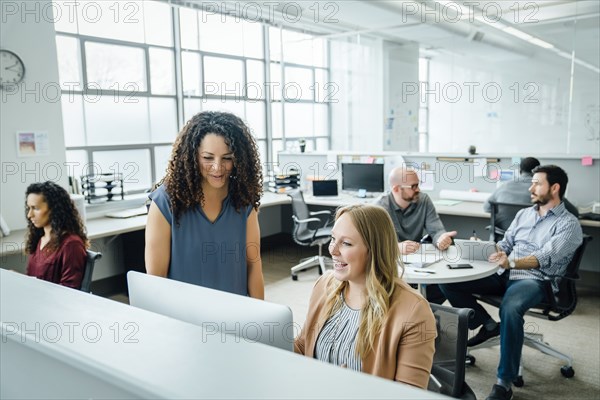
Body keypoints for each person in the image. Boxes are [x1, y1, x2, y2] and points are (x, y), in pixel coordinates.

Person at [439, 165, 583, 400]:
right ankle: (487, 324)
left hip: (536, 281)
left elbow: (544, 258)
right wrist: (484, 248)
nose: (530, 187)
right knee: (451, 281)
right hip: (504, 273)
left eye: (537, 183)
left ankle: (503, 384)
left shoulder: (569, 224)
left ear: (554, 188)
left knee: (511, 307)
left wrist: (511, 263)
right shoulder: (524, 215)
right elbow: (504, 246)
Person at [294, 204, 436, 389]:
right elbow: (304, 345)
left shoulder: (413, 311)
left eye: (346, 243)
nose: (333, 250)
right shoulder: (325, 285)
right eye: (333, 239)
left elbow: (409, 395)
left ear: (374, 250)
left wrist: (350, 389)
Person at [145, 111, 265, 299]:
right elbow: (156, 280)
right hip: (183, 318)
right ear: (192, 157)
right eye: (208, 158)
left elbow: (253, 266)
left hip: (235, 317)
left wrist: (260, 317)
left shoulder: (244, 200)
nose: (218, 167)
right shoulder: (164, 203)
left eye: (227, 158)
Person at [374, 166, 456, 304]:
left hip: (417, 263)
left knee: (448, 284)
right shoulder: (379, 208)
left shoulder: (423, 200)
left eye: (418, 185)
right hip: (391, 265)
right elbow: (372, 245)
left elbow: (436, 230)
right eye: (413, 186)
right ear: (396, 189)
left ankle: (422, 313)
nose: (418, 189)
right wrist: (396, 248)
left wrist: (441, 238)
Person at [484, 157, 579, 232]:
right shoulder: (544, 189)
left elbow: (487, 208)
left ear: (520, 171)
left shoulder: (504, 186)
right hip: (532, 239)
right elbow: (574, 213)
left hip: (502, 234)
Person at [24, 181, 89, 289]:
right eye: (29, 208)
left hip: (50, 304)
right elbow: (33, 279)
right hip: (35, 299)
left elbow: (70, 291)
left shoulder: (71, 244)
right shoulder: (40, 240)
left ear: (53, 209)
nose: (29, 215)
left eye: (35, 208)